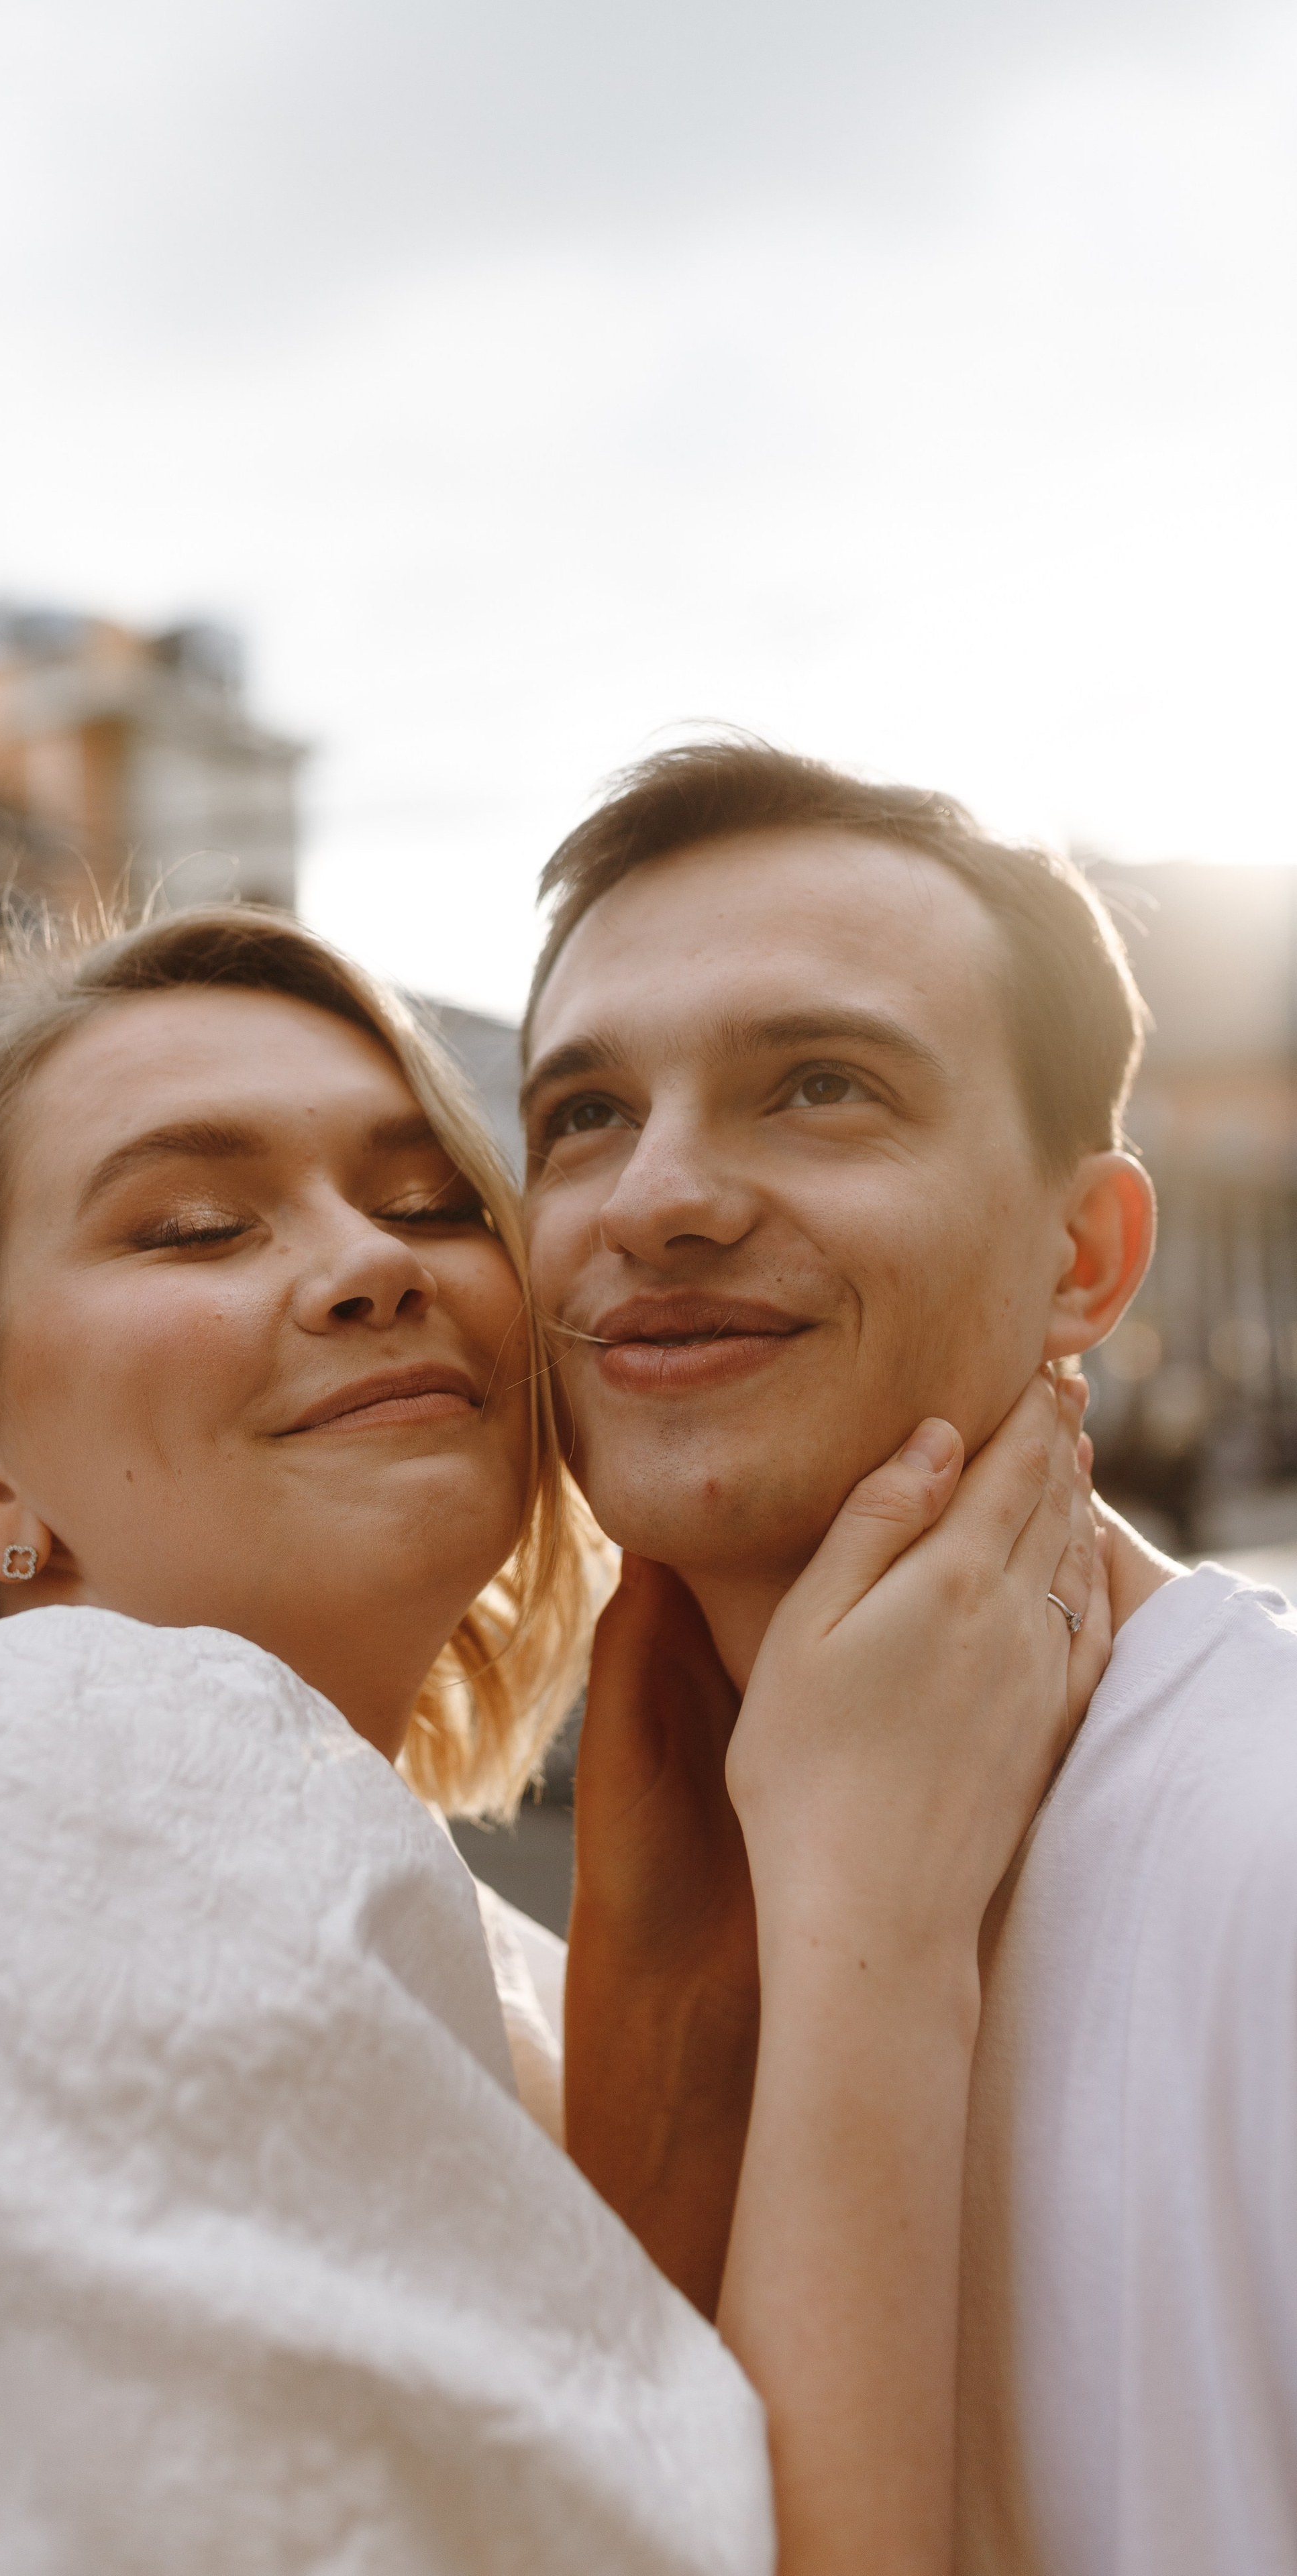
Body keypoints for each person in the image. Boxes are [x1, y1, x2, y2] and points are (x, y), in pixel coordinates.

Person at [0, 907, 1096, 2576]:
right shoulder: (63, 1760)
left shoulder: (396, 1902)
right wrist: (869, 1898)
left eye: (430, 1201)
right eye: (196, 1225)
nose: (372, 1265)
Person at [521, 738, 1297, 2576]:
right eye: (583, 1115)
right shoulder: (638, 1918)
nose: (661, 1197)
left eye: (818, 1086)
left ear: (1084, 1259)